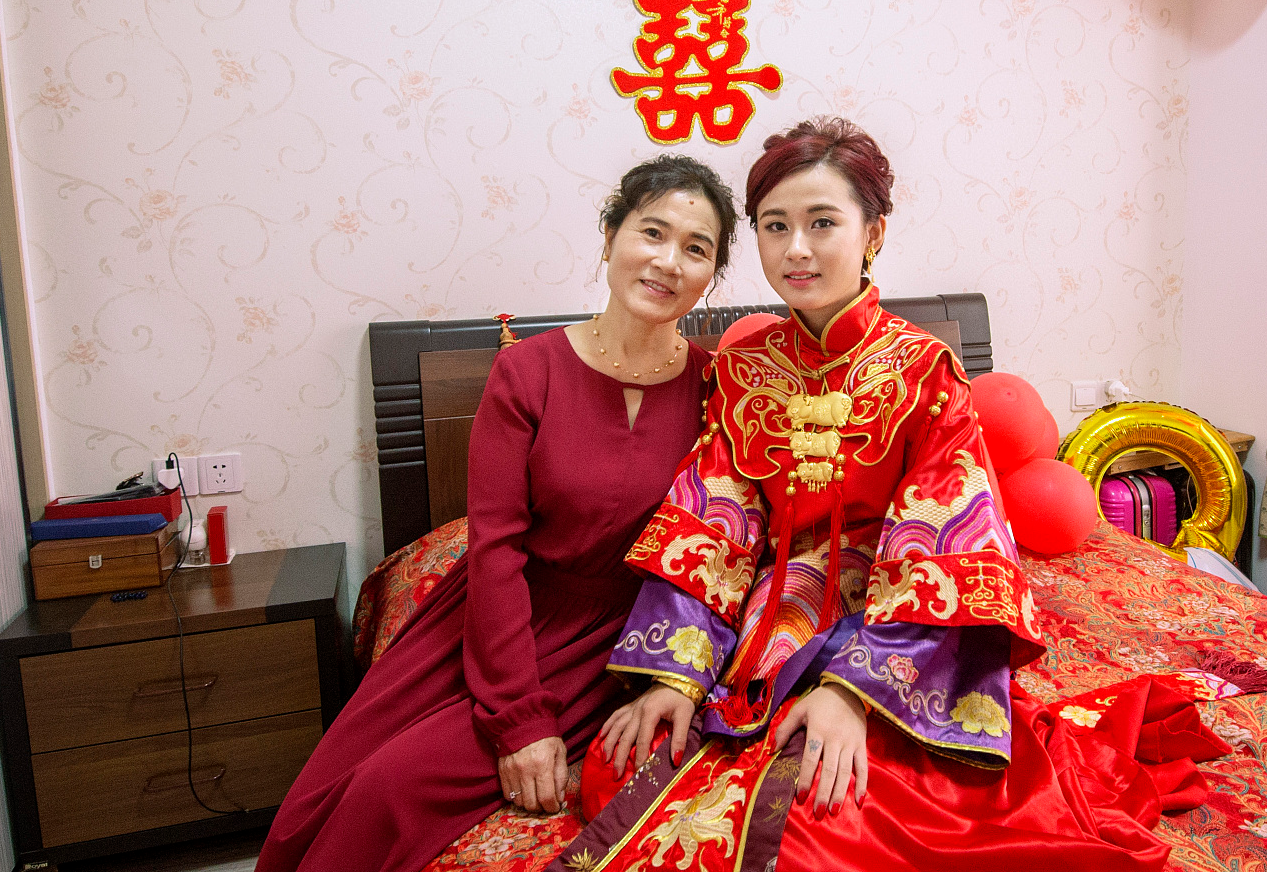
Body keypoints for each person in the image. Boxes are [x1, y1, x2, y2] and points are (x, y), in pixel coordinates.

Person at [549, 118, 1228, 872]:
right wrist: (676, 673)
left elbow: (948, 544)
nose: (796, 248)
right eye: (775, 226)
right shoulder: (740, 370)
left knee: (828, 813)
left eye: (822, 223)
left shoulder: (923, 371)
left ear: (871, 233)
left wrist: (852, 691)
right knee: (627, 761)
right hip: (763, 625)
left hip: (887, 622)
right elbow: (713, 524)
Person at [255, 153, 739, 872]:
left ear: (710, 276)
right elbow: (494, 551)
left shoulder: (719, 388)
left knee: (396, 788)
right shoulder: (527, 371)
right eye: (652, 232)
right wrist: (520, 720)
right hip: (507, 622)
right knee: (363, 789)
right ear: (610, 237)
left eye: (696, 249)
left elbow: (732, 543)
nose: (668, 261)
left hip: (628, 641)